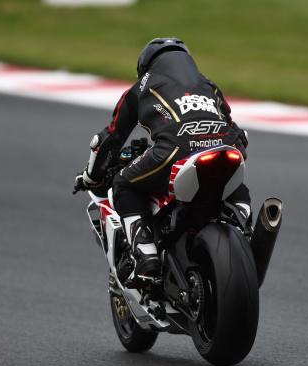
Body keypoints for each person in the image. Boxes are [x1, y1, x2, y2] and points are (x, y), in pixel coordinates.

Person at [75, 38, 251, 280]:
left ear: (147, 66)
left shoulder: (141, 87)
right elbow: (236, 132)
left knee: (123, 184)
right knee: (234, 183)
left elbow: (111, 139)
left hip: (174, 151)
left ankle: (146, 253)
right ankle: (245, 227)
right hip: (225, 147)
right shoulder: (209, 85)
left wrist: (91, 177)